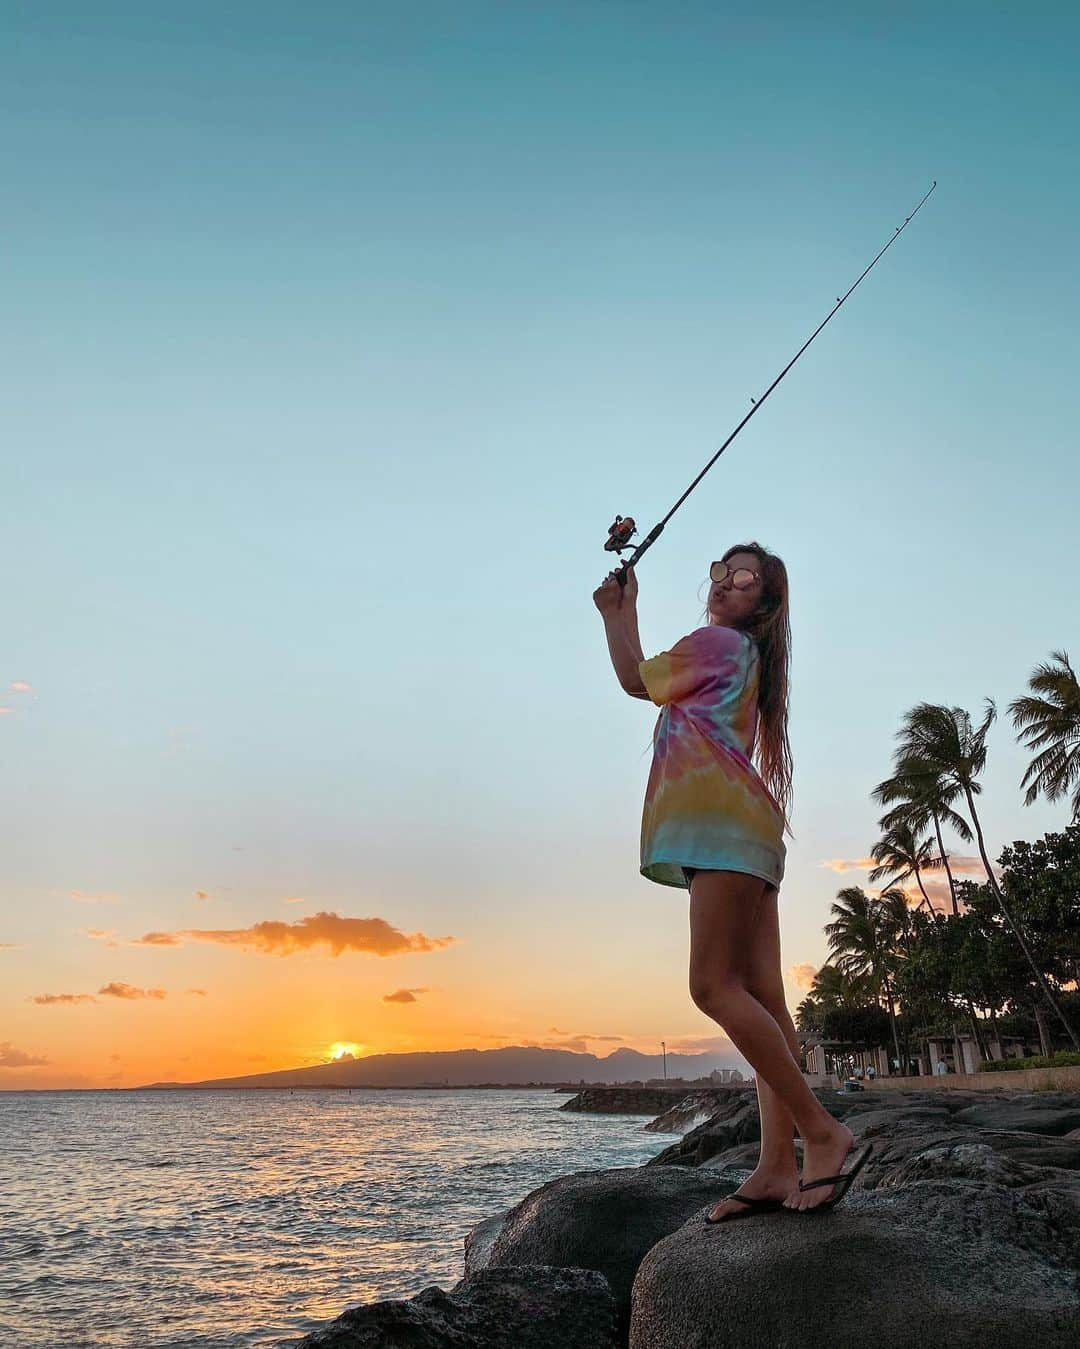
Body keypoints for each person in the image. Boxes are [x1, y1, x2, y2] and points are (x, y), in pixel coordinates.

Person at [594, 544, 865, 1217]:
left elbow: (637, 678)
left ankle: (822, 1132)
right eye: (720, 570)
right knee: (767, 1001)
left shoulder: (718, 642)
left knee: (711, 985)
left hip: (720, 827)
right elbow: (650, 678)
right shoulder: (746, 660)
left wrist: (615, 614)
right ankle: (775, 1167)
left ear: (764, 603)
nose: (725, 583)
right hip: (748, 829)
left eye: (744, 579)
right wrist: (622, 606)